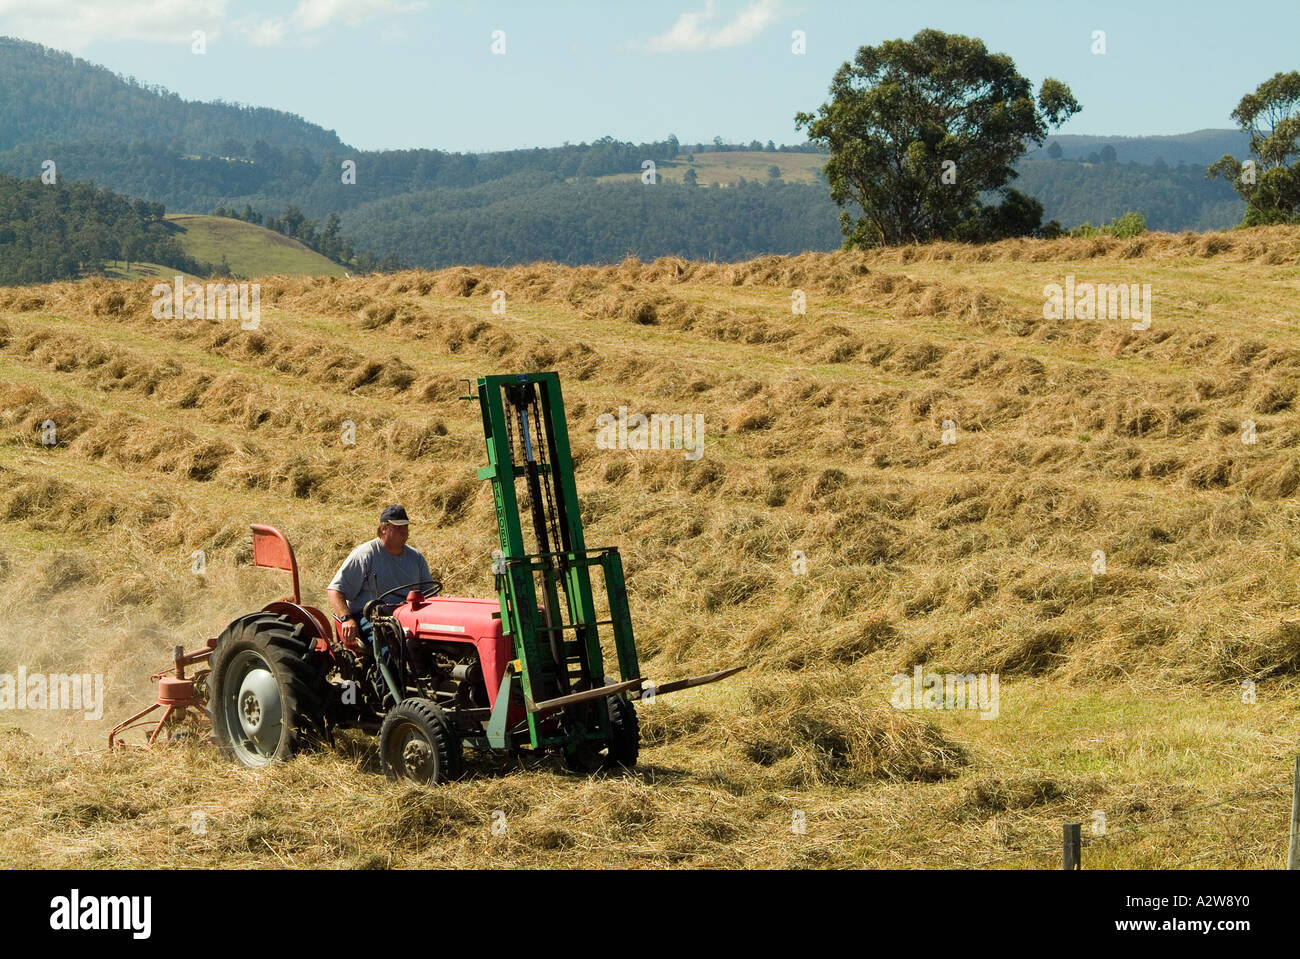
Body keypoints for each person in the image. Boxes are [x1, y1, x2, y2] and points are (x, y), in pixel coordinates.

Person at [326, 505, 433, 651]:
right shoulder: (365, 554)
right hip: (371, 617)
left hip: (407, 615)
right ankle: (387, 674)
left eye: (406, 527)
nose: (404, 532)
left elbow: (430, 595)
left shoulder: (416, 558)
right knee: (390, 647)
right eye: (398, 527)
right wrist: (346, 618)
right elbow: (335, 590)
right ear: (383, 528)